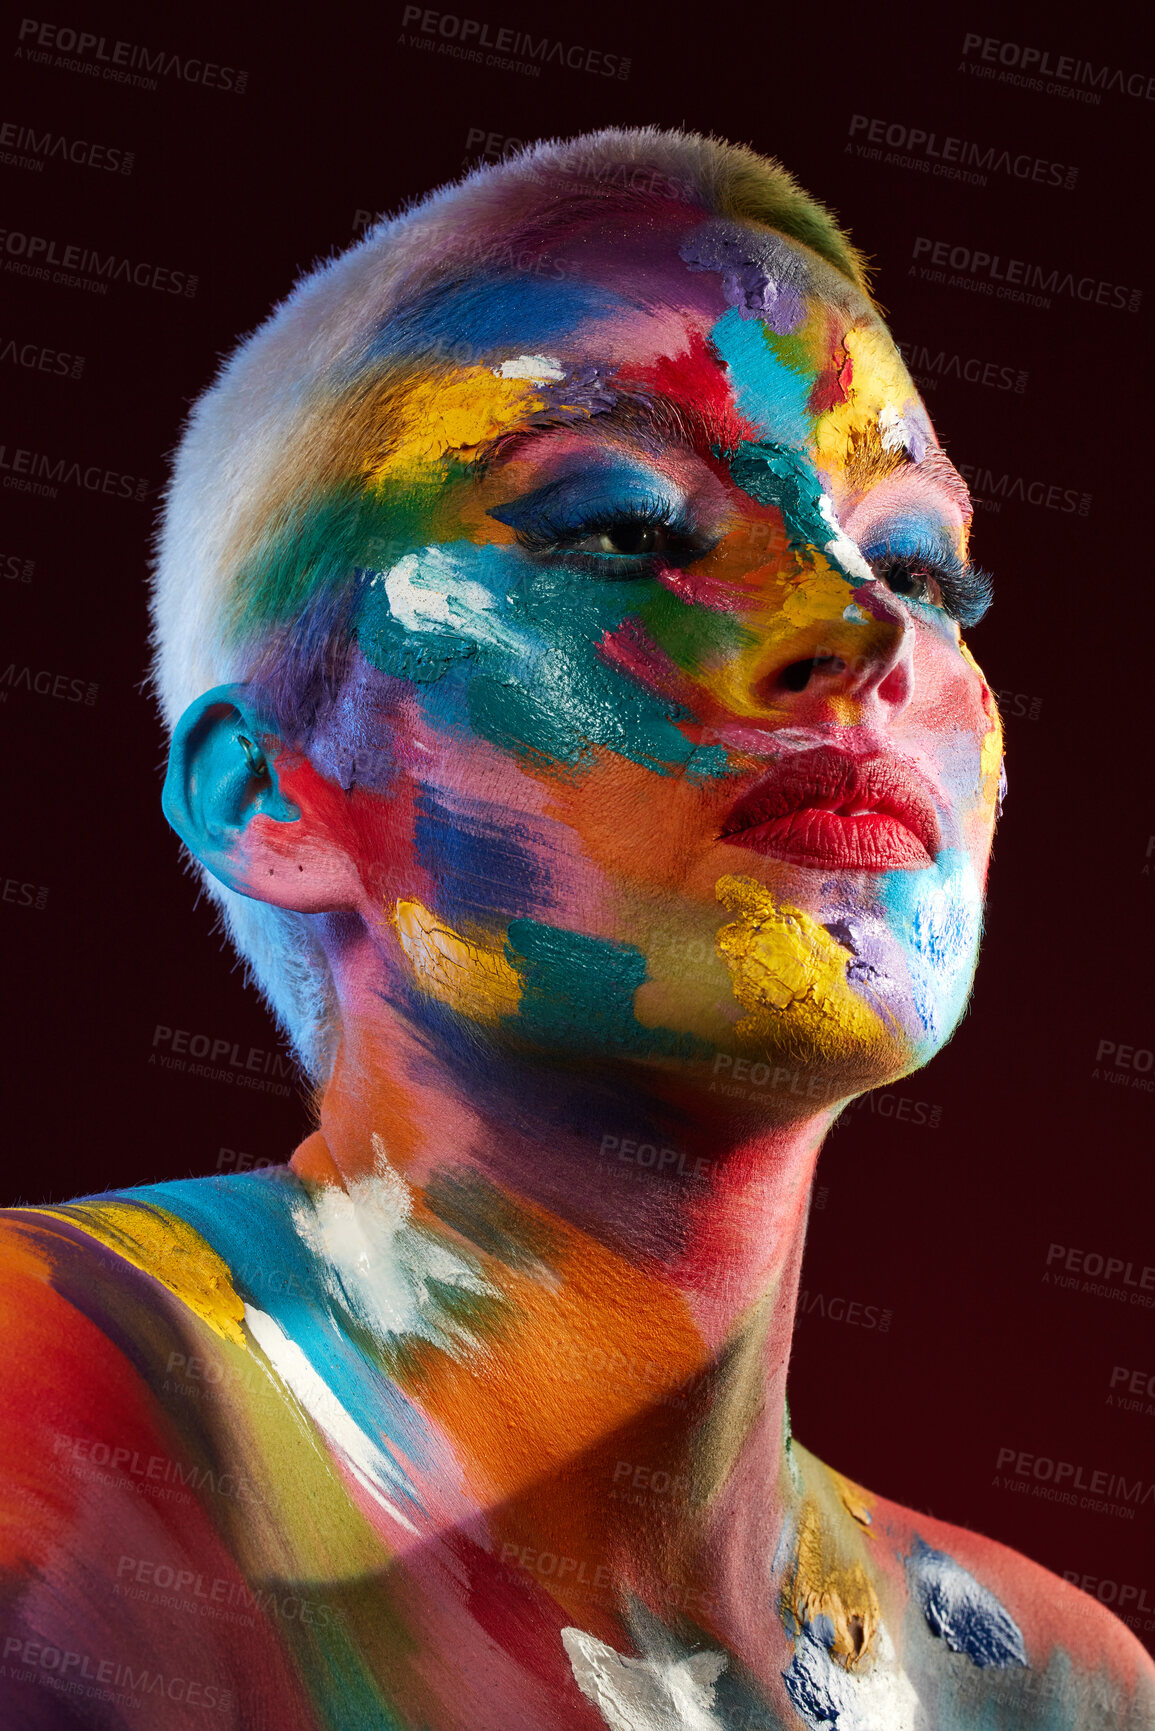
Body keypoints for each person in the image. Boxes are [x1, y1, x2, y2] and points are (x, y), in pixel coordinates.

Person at [1, 127, 1150, 1731]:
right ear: (274, 791)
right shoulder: (48, 1437)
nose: (859, 628)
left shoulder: (1050, 1691)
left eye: (918, 560)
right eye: (622, 525)